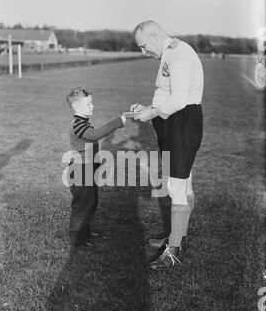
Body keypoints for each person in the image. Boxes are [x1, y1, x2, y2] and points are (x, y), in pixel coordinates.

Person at [130, 20, 204, 270]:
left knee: (176, 186)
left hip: (181, 123)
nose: (143, 52)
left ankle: (172, 251)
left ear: (153, 35)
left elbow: (179, 100)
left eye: (143, 46)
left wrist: (151, 114)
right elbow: (166, 93)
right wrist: (148, 109)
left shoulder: (180, 54)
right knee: (184, 182)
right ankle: (177, 236)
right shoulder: (169, 53)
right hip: (174, 123)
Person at [66, 87, 128, 247]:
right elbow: (94, 135)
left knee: (90, 202)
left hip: (87, 169)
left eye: (91, 103)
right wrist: (117, 122)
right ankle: (77, 238)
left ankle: (83, 232)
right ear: (76, 106)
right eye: (88, 104)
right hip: (80, 171)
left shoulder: (83, 122)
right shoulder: (76, 125)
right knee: (82, 204)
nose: (92, 107)